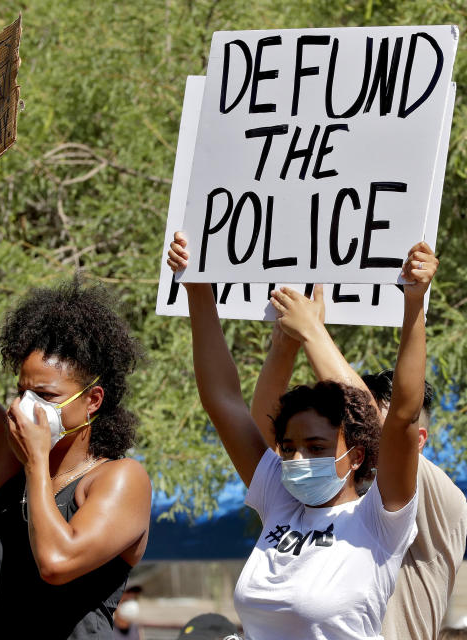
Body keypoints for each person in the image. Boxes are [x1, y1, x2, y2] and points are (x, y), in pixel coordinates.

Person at [166, 232, 430, 639]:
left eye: (317, 447)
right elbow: (223, 401)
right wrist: (198, 286)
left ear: (356, 456)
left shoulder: (379, 519)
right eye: (288, 448)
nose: (298, 460)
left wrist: (413, 305)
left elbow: (403, 417)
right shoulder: (281, 501)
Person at [0, 157, 151, 638]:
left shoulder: (119, 480)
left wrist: (36, 465)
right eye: (22, 391)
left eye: (46, 395)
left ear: (92, 401)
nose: (26, 407)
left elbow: (56, 560)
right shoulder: (4, 464)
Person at [248, 282, 467, 640]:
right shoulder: (324, 497)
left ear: (418, 439)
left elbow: (384, 427)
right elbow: (262, 439)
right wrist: (283, 345)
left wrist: (311, 332)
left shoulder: (438, 496)